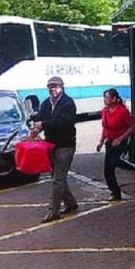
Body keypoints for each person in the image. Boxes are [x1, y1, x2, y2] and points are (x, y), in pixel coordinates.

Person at [29, 76, 79, 223]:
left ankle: (53, 211)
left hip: (65, 145)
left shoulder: (68, 103)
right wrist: (34, 128)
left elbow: (65, 122)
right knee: (57, 178)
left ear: (62, 87)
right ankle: (71, 203)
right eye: (50, 86)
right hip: (50, 145)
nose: (52, 89)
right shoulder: (46, 103)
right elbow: (39, 118)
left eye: (55, 86)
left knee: (57, 179)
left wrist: (43, 124)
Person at [97, 88, 135, 201]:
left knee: (115, 161)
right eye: (104, 97)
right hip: (110, 141)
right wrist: (101, 142)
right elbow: (105, 128)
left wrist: (121, 138)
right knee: (108, 170)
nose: (105, 100)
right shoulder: (105, 111)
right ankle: (115, 192)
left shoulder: (122, 111)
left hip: (121, 140)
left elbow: (132, 126)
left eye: (107, 97)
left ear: (114, 98)